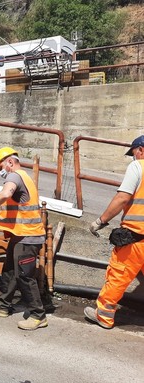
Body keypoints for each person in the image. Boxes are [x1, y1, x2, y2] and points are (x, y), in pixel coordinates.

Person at [0, 147, 48, 331]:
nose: (1, 171)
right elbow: (14, 210)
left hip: (28, 236)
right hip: (21, 235)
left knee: (24, 276)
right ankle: (3, 306)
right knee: (9, 270)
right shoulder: (24, 177)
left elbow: (5, 194)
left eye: (1, 166)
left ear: (10, 162)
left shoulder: (15, 176)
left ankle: (38, 315)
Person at [86, 135, 144, 329]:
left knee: (118, 276)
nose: (133, 157)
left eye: (134, 152)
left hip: (136, 239)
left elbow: (122, 198)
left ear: (141, 150)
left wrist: (100, 221)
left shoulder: (138, 166)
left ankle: (104, 315)